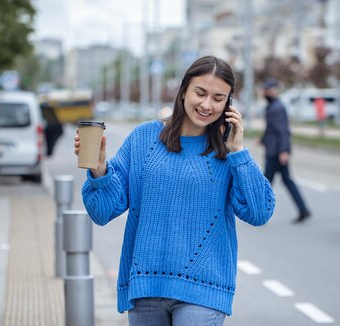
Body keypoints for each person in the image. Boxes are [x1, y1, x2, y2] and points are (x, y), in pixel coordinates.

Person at [74, 55, 275, 325]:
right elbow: (101, 211)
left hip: (204, 291)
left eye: (218, 98)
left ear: (229, 105)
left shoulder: (227, 153)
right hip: (146, 288)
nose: (206, 105)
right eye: (200, 93)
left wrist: (238, 151)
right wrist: (99, 170)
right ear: (183, 92)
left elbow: (260, 212)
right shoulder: (144, 139)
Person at [260, 78, 311, 223]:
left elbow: (282, 131)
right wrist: (263, 139)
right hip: (275, 150)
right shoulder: (272, 107)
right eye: (265, 90)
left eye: (269, 90)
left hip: (276, 152)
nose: (267, 92)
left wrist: (284, 151)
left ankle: (258, 210)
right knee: (286, 181)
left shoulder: (276, 108)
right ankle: (303, 209)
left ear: (275, 91)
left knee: (266, 182)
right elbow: (271, 129)